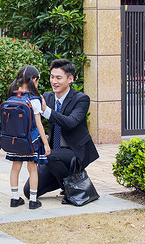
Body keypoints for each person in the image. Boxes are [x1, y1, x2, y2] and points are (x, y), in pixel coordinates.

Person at [23, 59, 99, 203]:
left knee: (50, 156)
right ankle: (69, 179)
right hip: (55, 154)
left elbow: (71, 122)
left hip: (75, 151)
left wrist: (46, 110)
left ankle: (71, 188)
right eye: (52, 77)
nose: (54, 81)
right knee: (29, 191)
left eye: (59, 78)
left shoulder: (81, 99)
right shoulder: (47, 96)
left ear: (70, 79)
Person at [5, 65, 51, 210]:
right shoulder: (34, 99)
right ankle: (32, 200)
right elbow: (38, 124)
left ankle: (14, 198)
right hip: (31, 140)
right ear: (34, 80)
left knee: (15, 167)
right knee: (32, 168)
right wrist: (46, 143)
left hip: (15, 139)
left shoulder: (13, 96)